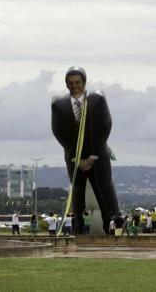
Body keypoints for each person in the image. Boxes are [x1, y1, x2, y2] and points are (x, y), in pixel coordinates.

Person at [51, 67, 119, 235]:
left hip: (97, 156)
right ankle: (78, 226)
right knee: (77, 193)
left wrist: (92, 156)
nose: (74, 86)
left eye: (78, 82)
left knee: (104, 190)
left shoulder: (98, 99)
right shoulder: (58, 103)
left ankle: (112, 225)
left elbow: (105, 126)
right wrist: (77, 159)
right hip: (74, 159)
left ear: (84, 82)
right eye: (70, 83)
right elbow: (59, 132)